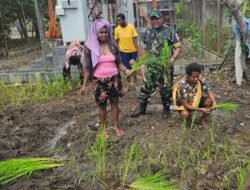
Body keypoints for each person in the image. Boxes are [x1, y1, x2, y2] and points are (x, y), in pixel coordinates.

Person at [79, 19, 130, 139]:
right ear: (96, 33)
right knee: (102, 106)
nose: (103, 34)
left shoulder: (113, 45)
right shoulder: (90, 47)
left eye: (105, 32)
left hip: (114, 78)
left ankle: (116, 127)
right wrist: (84, 85)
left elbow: (119, 63)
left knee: (114, 103)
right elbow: (87, 68)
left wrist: (126, 70)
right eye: (101, 32)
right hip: (99, 80)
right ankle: (104, 129)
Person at [130, 9, 181, 118]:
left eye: (157, 18)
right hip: (151, 67)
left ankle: (166, 110)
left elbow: (178, 48)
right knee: (146, 88)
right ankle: (142, 109)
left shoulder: (170, 31)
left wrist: (172, 59)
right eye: (152, 19)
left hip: (165, 67)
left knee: (166, 89)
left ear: (162, 19)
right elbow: (144, 48)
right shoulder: (148, 32)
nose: (155, 21)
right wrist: (143, 62)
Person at [172, 63, 217, 129]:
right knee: (185, 114)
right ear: (188, 76)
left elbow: (209, 91)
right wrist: (200, 109)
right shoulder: (182, 86)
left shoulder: (200, 80)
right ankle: (188, 119)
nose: (196, 79)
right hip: (185, 105)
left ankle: (202, 120)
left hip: (196, 100)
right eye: (193, 77)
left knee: (209, 102)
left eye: (197, 76)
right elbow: (186, 105)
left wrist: (214, 102)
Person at [115, 13, 139, 91]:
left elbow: (135, 40)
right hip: (123, 52)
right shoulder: (117, 29)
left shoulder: (131, 27)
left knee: (134, 68)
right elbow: (116, 41)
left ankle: (135, 83)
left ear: (124, 19)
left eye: (120, 20)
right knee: (126, 69)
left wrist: (138, 50)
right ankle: (129, 84)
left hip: (133, 51)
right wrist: (117, 52)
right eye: (117, 20)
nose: (118, 22)